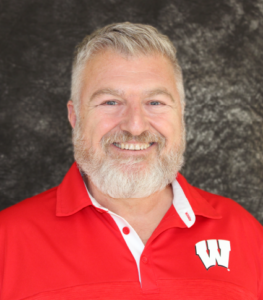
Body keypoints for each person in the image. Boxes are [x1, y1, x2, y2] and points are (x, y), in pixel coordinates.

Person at [0, 22, 262, 300]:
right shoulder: (8, 239)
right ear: (75, 116)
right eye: (111, 102)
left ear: (181, 114)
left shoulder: (246, 233)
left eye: (156, 102)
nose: (135, 126)